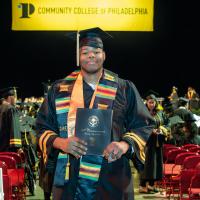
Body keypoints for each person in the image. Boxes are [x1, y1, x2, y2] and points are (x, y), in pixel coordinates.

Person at [35, 27, 154, 200]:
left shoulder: (124, 88)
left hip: (112, 173)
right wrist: (61, 143)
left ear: (104, 55)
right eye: (85, 52)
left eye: (96, 51)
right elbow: (41, 128)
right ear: (78, 56)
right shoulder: (59, 90)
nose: (91, 55)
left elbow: (143, 124)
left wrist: (124, 145)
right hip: (71, 175)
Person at [139, 93, 171, 194]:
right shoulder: (142, 113)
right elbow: (139, 125)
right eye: (150, 102)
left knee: (156, 164)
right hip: (147, 142)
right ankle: (142, 186)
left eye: (153, 102)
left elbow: (168, 122)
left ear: (156, 103)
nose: (152, 104)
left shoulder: (160, 113)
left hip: (158, 142)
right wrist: (151, 130)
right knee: (147, 164)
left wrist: (162, 129)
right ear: (146, 103)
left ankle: (151, 185)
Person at [0, 86, 22, 152]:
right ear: (10, 97)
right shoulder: (11, 109)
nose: (16, 100)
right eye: (15, 97)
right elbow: (14, 130)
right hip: (8, 150)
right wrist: (17, 148)